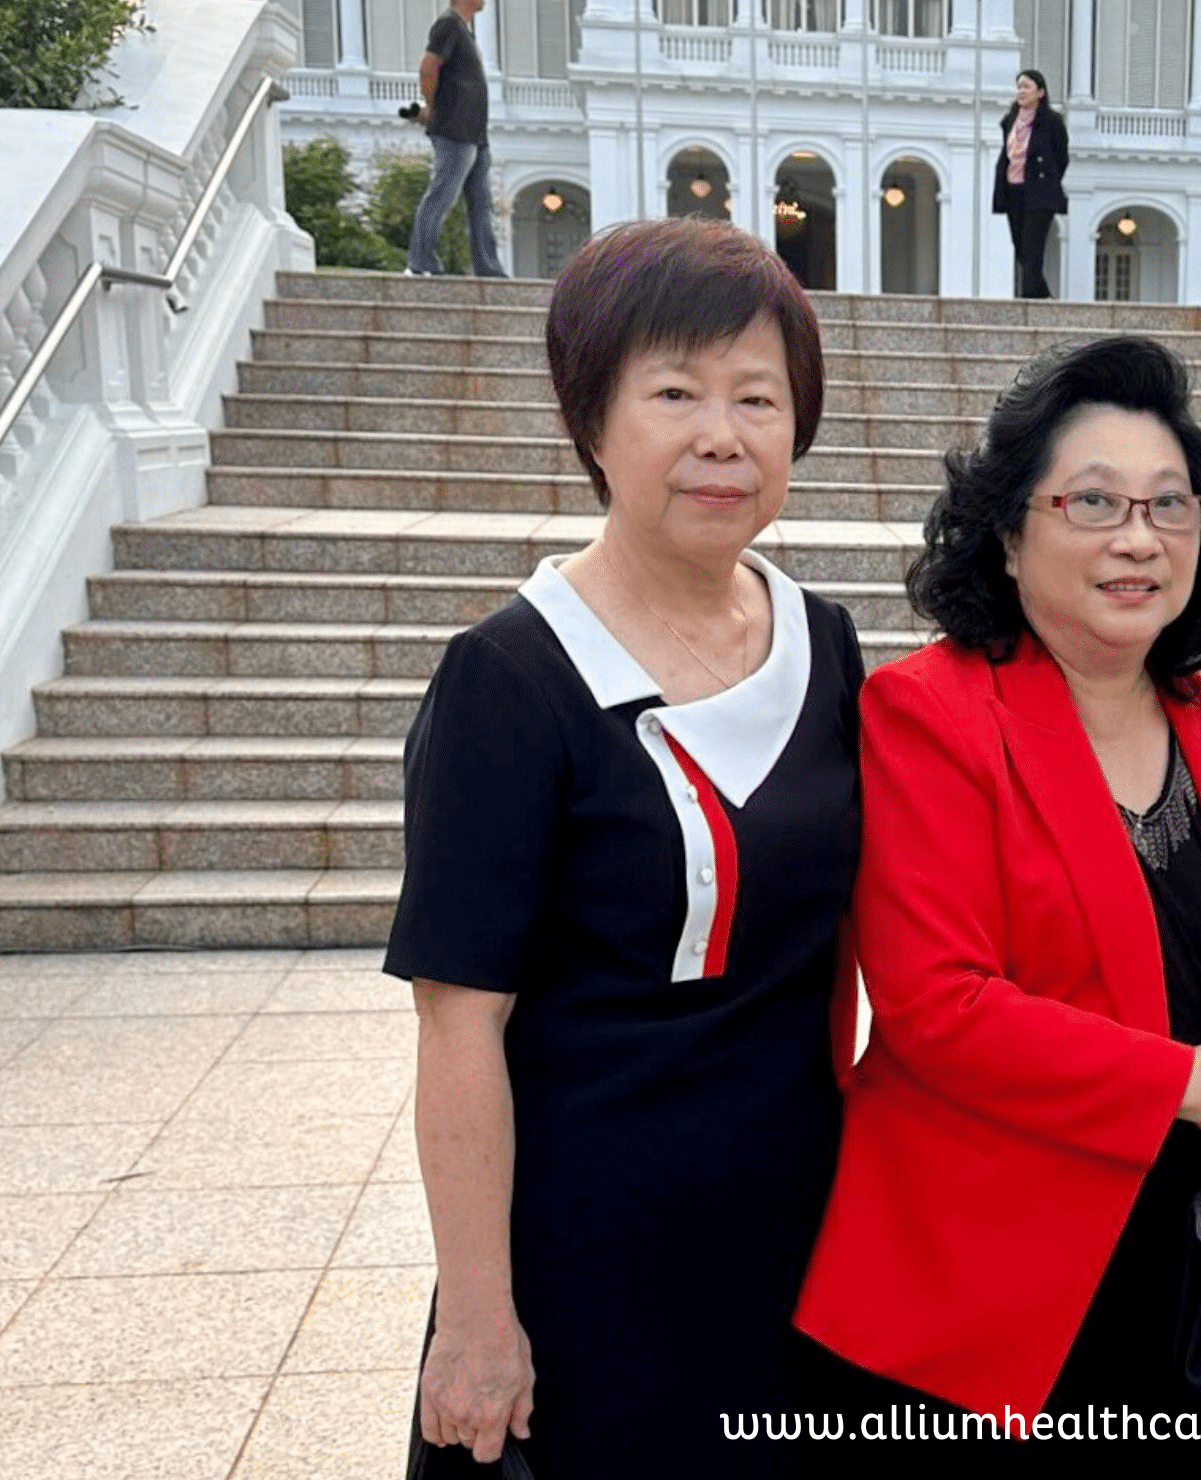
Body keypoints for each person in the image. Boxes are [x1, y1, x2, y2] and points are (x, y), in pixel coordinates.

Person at [795, 335, 1201, 1472]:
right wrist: (1192, 1082)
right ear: (1008, 532)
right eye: (1092, 502)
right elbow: (937, 1007)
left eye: (1170, 505)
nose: (1139, 538)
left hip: (1188, 1265)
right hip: (991, 1290)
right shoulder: (930, 713)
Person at [384, 219, 863, 1475]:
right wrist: (478, 1313)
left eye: (759, 397)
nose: (724, 434)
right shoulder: (510, 678)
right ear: (591, 422)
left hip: (796, 1225)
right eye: (675, 392)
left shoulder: (826, 641)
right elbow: (457, 1025)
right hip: (587, 1249)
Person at [408, 0, 507, 278]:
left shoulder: (464, 30)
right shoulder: (448, 26)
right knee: (442, 194)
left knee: (481, 205)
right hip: (454, 129)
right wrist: (430, 106)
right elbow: (428, 66)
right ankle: (420, 262)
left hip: (475, 134)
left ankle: (488, 269)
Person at [992, 67, 1068, 298]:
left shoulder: (1052, 122)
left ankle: (1029, 300)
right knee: (1021, 250)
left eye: (1026, 87)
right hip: (1013, 190)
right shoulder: (1009, 122)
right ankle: (1043, 297)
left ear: (1040, 92)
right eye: (1019, 87)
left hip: (1039, 192)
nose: (1021, 91)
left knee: (1033, 249)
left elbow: (1061, 157)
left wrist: (1049, 181)